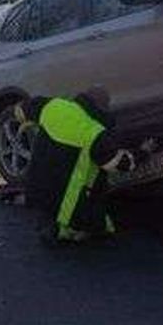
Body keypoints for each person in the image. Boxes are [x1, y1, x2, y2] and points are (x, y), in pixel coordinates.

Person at [16, 87, 142, 244]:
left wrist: (24, 123)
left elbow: (22, 109)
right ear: (103, 109)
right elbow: (121, 164)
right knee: (104, 228)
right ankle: (66, 230)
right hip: (68, 207)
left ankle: (50, 224)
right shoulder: (94, 133)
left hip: (36, 191)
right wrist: (142, 152)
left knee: (49, 205)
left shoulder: (54, 105)